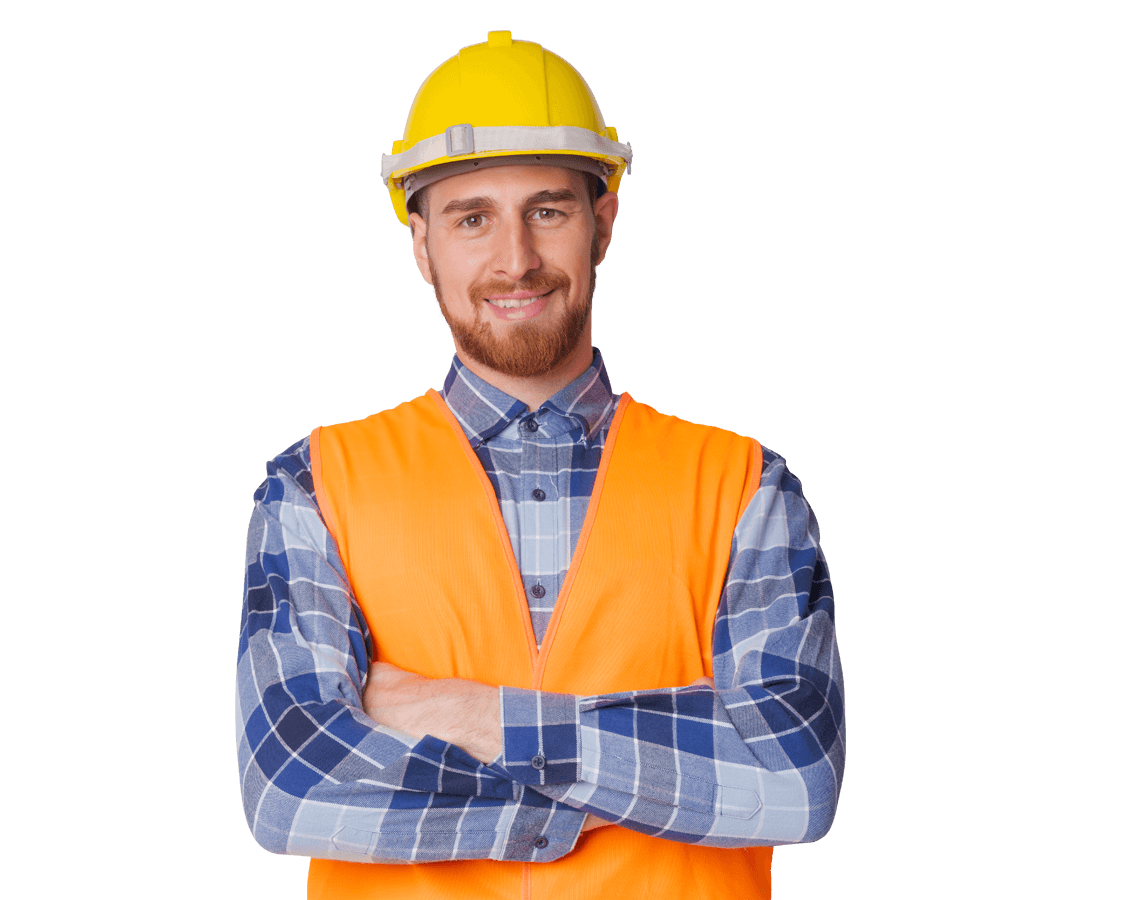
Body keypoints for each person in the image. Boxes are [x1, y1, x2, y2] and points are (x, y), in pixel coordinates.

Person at [237, 30, 843, 900]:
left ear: (603, 225)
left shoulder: (746, 486)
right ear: (422, 248)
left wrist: (467, 717)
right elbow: (291, 786)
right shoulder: (314, 483)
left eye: (548, 210)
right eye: (471, 216)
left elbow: (795, 778)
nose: (515, 257)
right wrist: (643, 786)